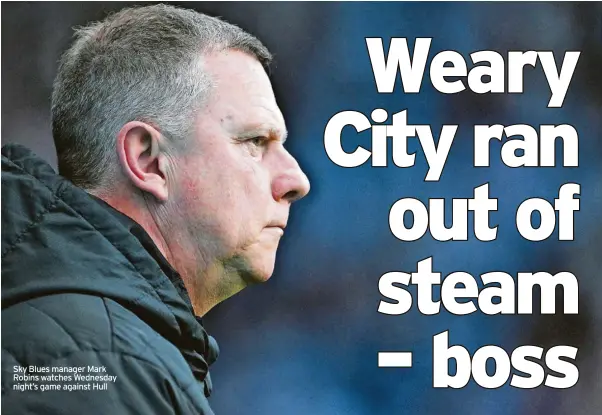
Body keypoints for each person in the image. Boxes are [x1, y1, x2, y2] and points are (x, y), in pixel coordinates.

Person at [1, 4, 310, 414]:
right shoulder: (101, 365)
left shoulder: (100, 350)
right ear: (148, 160)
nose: (296, 180)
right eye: (254, 141)